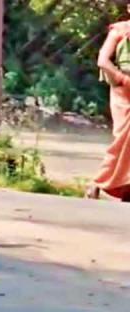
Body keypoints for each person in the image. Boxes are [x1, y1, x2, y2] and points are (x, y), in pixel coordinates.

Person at [89, 2, 130, 201]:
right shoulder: (119, 31)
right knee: (123, 138)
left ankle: (126, 188)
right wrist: (123, 79)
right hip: (123, 91)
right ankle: (99, 182)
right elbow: (102, 60)